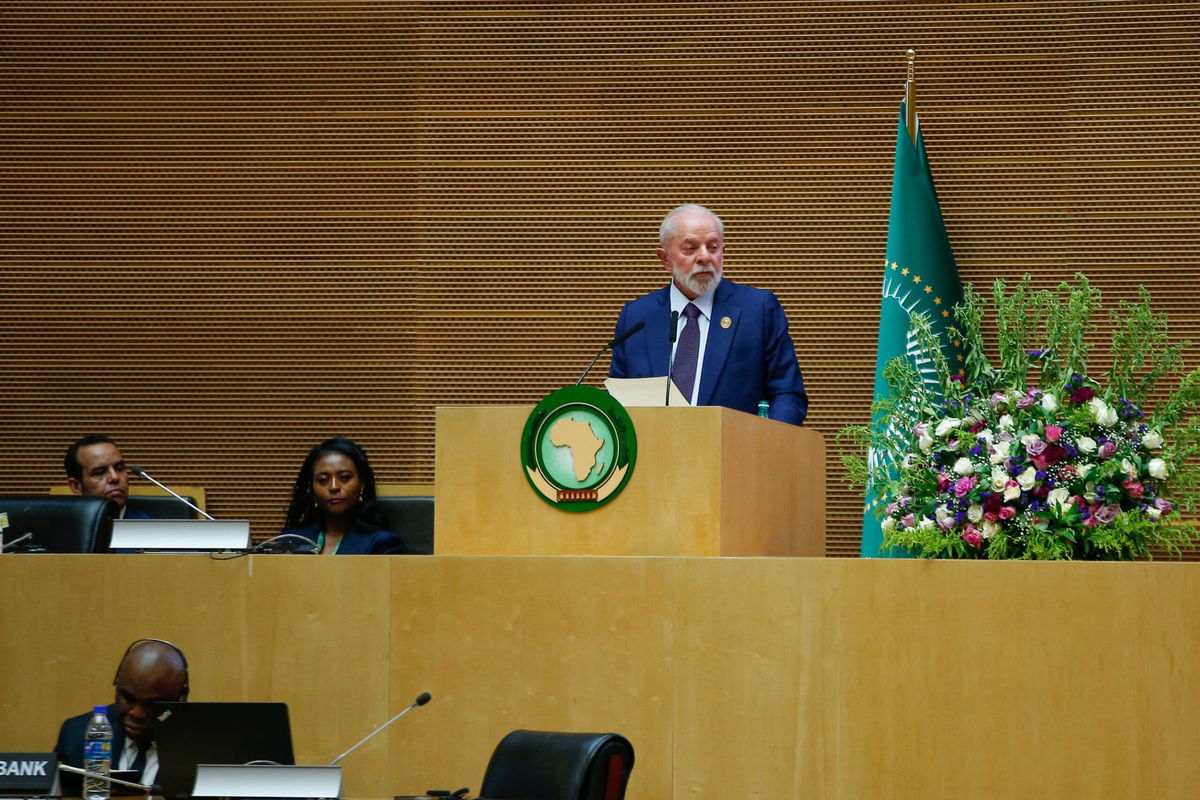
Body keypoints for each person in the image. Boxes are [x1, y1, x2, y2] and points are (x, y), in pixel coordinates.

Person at [608, 203, 809, 425]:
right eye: (690, 248)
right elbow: (619, 401)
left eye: (713, 247)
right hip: (654, 454)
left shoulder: (758, 310)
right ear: (665, 259)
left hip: (736, 454)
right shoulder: (637, 317)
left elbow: (788, 395)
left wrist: (767, 447)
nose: (704, 257)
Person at [53, 639, 189, 796]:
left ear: (180, 700)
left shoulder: (203, 748)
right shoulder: (76, 735)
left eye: (152, 704)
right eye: (128, 698)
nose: (137, 713)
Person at [278, 437, 407, 554]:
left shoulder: (381, 544)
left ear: (362, 483)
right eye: (323, 480)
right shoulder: (290, 541)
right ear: (312, 488)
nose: (334, 487)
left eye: (345, 477)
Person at [64, 434, 151, 519]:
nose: (115, 477)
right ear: (76, 487)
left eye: (119, 468)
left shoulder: (149, 530)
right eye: (100, 472)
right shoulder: (62, 530)